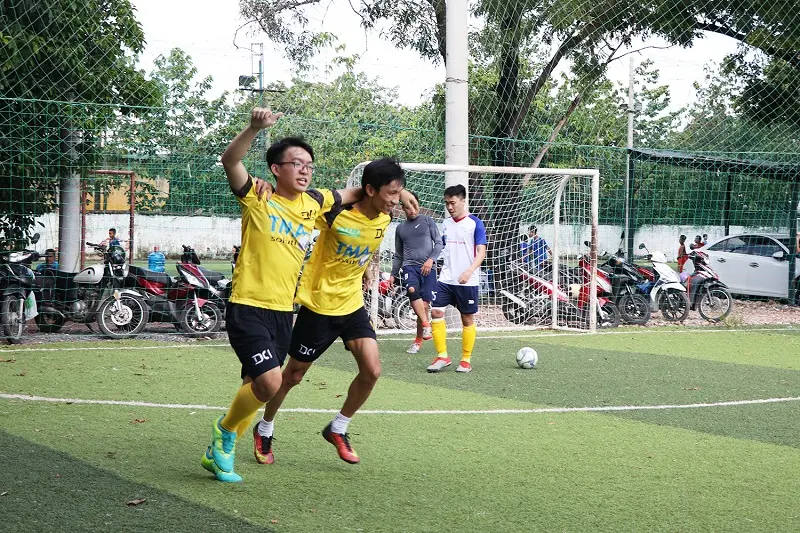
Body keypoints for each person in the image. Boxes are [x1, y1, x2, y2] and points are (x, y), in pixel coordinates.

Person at [200, 109, 417, 483]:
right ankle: (227, 433)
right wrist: (254, 128)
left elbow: (360, 191)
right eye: (296, 164)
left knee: (258, 384)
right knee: (272, 382)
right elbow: (230, 160)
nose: (305, 171)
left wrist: (398, 192)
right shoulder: (257, 196)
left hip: (284, 311)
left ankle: (221, 450)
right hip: (250, 305)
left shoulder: (315, 202)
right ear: (275, 169)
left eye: (309, 166)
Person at [252, 158, 406, 466]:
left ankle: (338, 427)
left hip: (352, 305)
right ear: (370, 190)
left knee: (372, 370)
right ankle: (264, 427)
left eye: (399, 193)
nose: (395, 200)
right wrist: (270, 188)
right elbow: (299, 206)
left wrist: (366, 269)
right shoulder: (336, 213)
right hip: (319, 306)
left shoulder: (385, 216)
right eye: (391, 193)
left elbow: (369, 242)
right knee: (293, 376)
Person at [426, 185, 488, 374]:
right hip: (446, 278)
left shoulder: (475, 223)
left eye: (452, 203)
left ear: (462, 201)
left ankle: (466, 360)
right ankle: (442, 356)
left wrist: (469, 271)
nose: (449, 207)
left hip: (467, 280)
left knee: (466, 318)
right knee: (436, 312)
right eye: (446, 203)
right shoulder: (446, 224)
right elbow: (444, 248)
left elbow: (481, 252)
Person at [390, 191, 444, 354]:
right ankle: (427, 325)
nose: (411, 210)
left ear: (418, 205)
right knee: (412, 290)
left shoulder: (428, 221)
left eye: (414, 206)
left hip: (428, 268)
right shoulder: (400, 228)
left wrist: (431, 260)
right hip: (409, 266)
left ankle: (418, 340)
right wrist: (393, 274)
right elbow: (399, 254)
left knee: (425, 306)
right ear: (403, 208)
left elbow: (439, 243)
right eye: (407, 207)